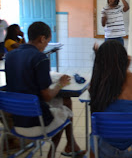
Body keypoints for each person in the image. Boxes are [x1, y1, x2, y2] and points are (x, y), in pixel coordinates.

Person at [5, 22, 85, 158]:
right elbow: (47, 96)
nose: (46, 45)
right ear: (42, 38)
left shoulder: (10, 56)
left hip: (16, 121)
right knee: (66, 110)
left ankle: (71, 145)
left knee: (64, 100)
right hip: (36, 123)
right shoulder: (40, 58)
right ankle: (52, 154)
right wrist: (60, 84)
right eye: (47, 41)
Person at [89, 40, 132, 158]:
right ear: (125, 59)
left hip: (103, 150)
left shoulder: (96, 84)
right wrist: (126, 69)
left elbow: (98, 77)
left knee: (93, 135)